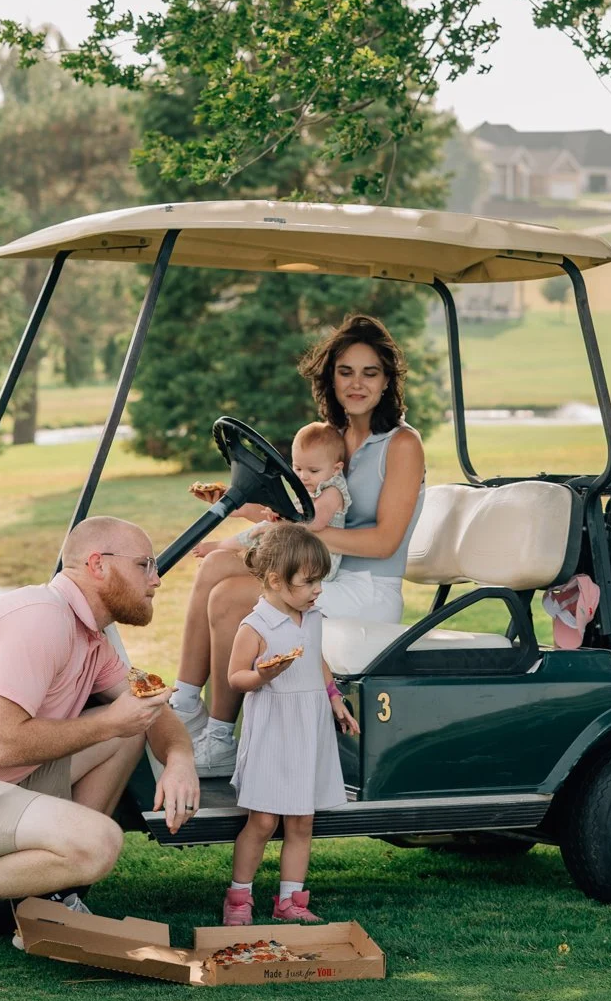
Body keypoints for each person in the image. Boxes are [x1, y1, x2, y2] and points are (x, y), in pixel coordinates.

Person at [0, 515, 200, 981]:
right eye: (145, 564)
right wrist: (109, 720)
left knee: (128, 731)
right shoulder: (40, 619)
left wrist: (181, 758)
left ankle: (46, 898)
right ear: (97, 565)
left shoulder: (89, 634)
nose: (157, 578)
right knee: (98, 842)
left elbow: (152, 711)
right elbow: (2, 742)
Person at [172, 313, 425, 779]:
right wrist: (250, 508)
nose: (357, 384)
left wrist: (302, 530)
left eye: (370, 373)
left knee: (231, 598)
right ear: (331, 377)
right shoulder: (332, 437)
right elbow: (301, 504)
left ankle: (221, 739)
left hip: (366, 588)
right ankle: (185, 705)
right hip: (321, 573)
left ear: (388, 380)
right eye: (346, 371)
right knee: (215, 569)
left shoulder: (402, 444)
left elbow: (385, 539)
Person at [222, 524, 359, 924]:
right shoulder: (256, 627)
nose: (318, 589)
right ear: (275, 580)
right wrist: (264, 675)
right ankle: (239, 898)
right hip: (274, 730)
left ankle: (290, 902)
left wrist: (335, 700)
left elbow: (316, 660)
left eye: (320, 580)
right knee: (263, 821)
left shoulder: (311, 618)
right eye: (309, 581)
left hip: (308, 728)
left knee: (302, 820)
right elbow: (235, 678)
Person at [177, 418, 351, 696]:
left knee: (262, 533)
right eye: (297, 468)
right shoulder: (310, 486)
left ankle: (217, 723)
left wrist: (279, 516)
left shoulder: (332, 490)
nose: (303, 476)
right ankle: (184, 696)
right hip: (292, 552)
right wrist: (254, 507)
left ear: (336, 468)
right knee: (224, 556)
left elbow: (314, 521)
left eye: (312, 470)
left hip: (314, 564)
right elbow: (290, 517)